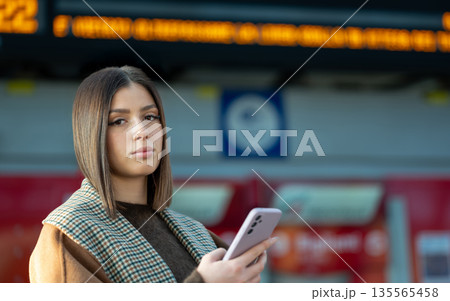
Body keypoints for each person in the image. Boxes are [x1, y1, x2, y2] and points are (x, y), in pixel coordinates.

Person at [28, 65, 277, 283]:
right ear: (90, 135)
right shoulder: (67, 235)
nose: (143, 131)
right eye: (118, 121)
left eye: (149, 117)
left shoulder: (194, 231)